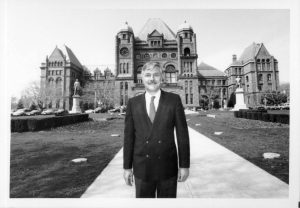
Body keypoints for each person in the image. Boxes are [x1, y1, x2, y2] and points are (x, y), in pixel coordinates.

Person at [123, 62, 190, 198]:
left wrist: (184, 165)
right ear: (142, 77)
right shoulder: (133, 103)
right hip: (142, 168)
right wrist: (127, 167)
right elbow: (129, 138)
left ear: (162, 77)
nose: (152, 79)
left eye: (156, 75)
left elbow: (182, 135)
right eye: (148, 75)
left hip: (167, 167)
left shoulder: (174, 100)